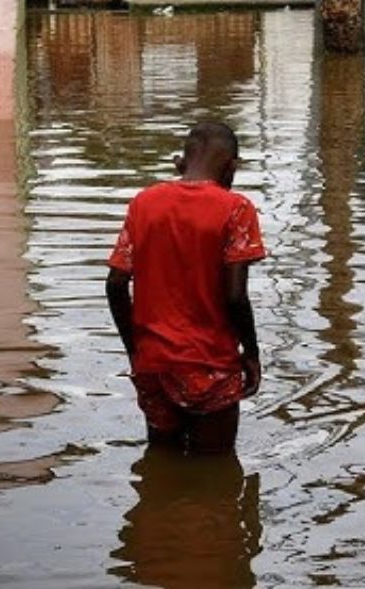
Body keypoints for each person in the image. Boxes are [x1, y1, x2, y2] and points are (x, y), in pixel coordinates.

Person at [106, 122, 267, 454]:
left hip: (152, 366)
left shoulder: (143, 204)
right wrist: (251, 355)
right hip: (210, 367)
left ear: (181, 162)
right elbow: (235, 297)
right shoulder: (236, 209)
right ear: (231, 166)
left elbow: (116, 285)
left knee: (161, 463)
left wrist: (135, 349)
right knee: (216, 474)